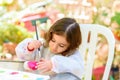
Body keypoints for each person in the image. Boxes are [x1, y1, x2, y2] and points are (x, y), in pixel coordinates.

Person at [15, 17, 84, 79]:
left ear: (71, 45)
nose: (54, 47)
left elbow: (77, 68)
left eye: (61, 45)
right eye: (53, 40)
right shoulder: (43, 46)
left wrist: (54, 64)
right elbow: (22, 56)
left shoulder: (72, 54)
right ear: (50, 35)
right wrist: (29, 48)